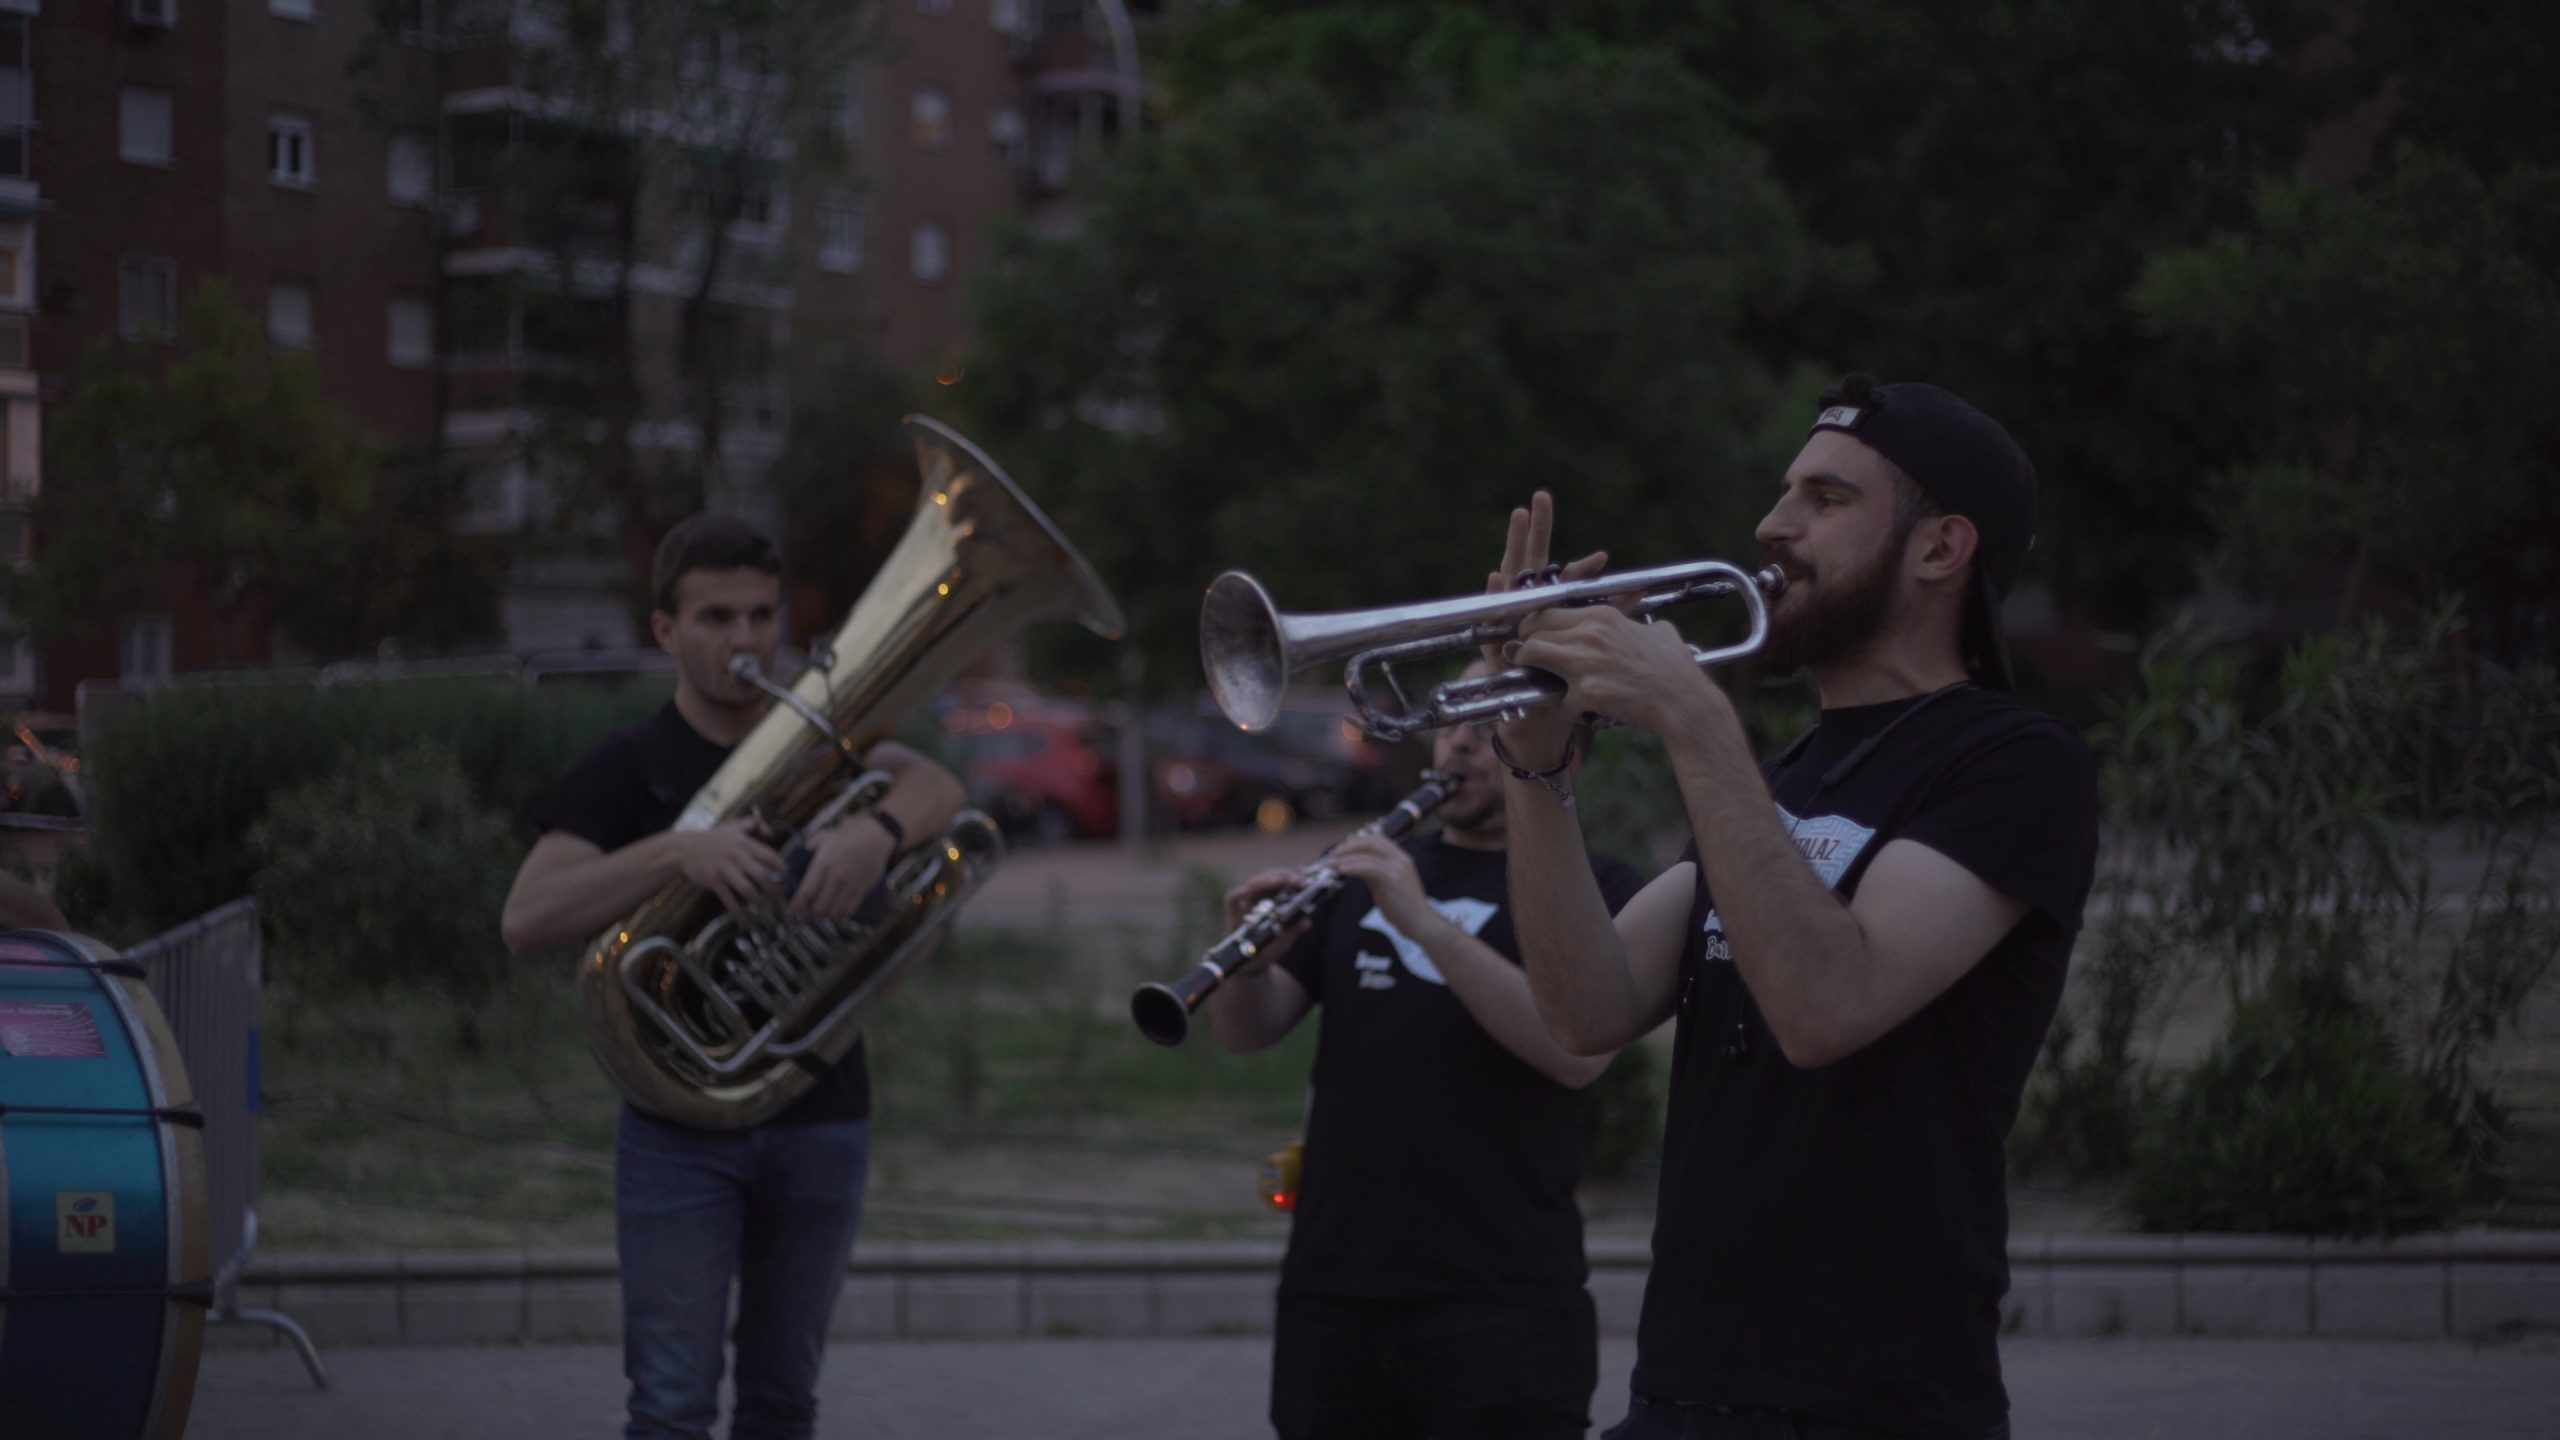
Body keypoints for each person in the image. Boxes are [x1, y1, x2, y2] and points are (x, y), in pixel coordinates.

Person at [1493, 375, 2101, 1440]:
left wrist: (1694, 721)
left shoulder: (2014, 767)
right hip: (1678, 1392)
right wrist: (1533, 764)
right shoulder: (1784, 781)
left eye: (1824, 499)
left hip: (1872, 1403)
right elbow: (1584, 1010)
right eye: (1785, 494)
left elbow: (1825, 1004)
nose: (1772, 526)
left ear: (1938, 549)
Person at [500, 515, 966, 1440]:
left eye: (760, 615)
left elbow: (939, 791)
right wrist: (678, 852)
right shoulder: (630, 766)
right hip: (680, 1130)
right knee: (671, 1408)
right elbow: (526, 918)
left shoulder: (814, 742)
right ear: (666, 630)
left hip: (822, 1112)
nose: (745, 641)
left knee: (784, 1403)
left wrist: (874, 836)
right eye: (716, 618)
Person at [1205, 672, 1646, 1440]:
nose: (1461, 744)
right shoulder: (1360, 872)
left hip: (1504, 1299)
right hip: (1335, 1287)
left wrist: (1422, 922)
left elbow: (1575, 1055)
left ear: (1562, 755)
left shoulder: (1600, 888)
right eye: (1450, 723)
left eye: (1488, 724)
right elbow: (1247, 1031)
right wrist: (1245, 967)